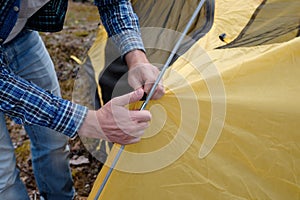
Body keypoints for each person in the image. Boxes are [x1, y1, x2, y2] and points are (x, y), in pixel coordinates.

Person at [0, 0, 164, 199]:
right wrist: (86, 121)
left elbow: (112, 3)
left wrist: (136, 58)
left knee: (53, 138)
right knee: (3, 171)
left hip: (20, 36)